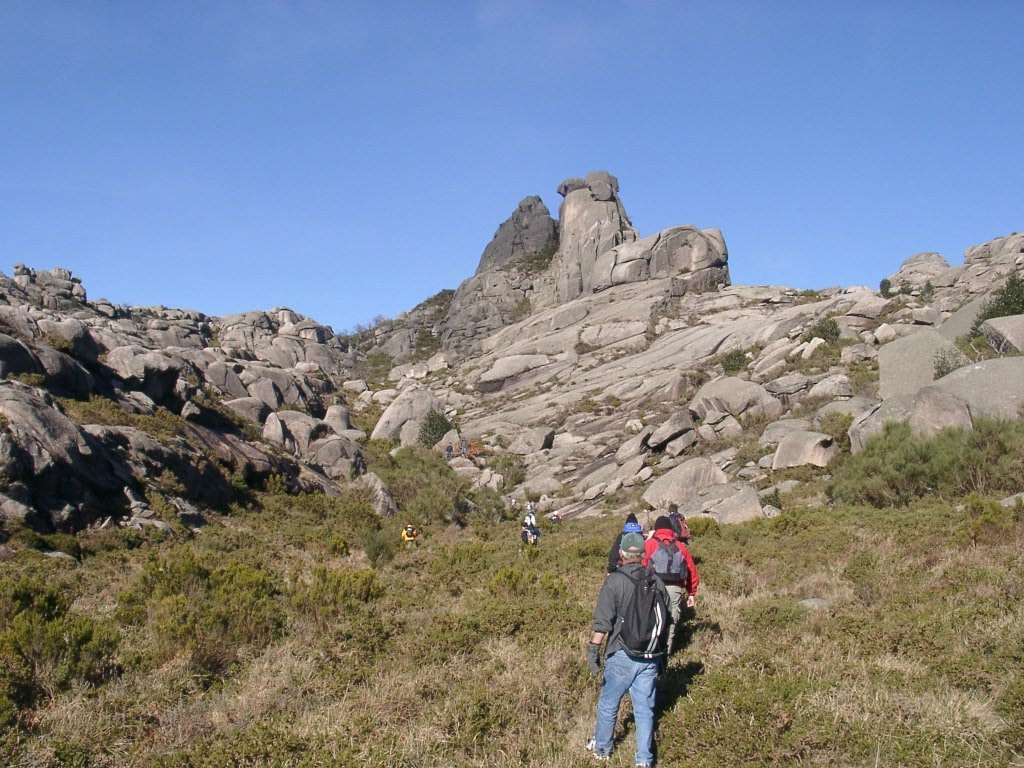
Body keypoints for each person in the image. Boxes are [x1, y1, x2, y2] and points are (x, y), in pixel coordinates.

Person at [586, 532, 667, 766]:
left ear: (621, 553)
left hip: (621, 652)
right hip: (650, 655)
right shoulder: (657, 581)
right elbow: (667, 619)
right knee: (644, 710)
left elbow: (603, 623)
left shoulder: (614, 581)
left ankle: (602, 748)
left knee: (609, 703)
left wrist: (593, 650)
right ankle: (644, 759)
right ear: (643, 554)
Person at [642, 515, 699, 655]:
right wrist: (691, 593)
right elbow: (691, 570)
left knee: (653, 618)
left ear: (656, 528)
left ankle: (651, 652)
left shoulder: (649, 545)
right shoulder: (680, 546)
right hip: (675, 588)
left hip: (653, 586)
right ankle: (666, 653)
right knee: (671, 621)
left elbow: (641, 567)